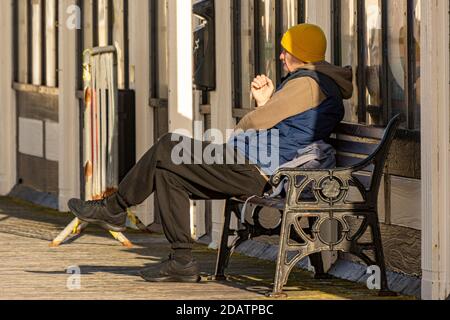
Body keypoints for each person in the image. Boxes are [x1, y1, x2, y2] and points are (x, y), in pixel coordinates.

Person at [68, 23, 353, 283]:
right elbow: (280, 121)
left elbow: (259, 121)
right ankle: (181, 261)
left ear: (300, 53)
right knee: (168, 173)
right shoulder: (313, 82)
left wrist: (245, 126)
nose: (280, 56)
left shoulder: (308, 82)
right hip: (255, 163)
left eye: (285, 51)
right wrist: (266, 103)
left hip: (256, 169)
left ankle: (114, 208)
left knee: (168, 145)